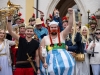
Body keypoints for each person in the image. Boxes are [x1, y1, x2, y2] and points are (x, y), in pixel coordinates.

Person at [40, 8, 75, 75]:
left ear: (58, 28)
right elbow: (41, 51)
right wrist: (44, 62)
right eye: (52, 27)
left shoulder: (62, 35)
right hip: (50, 63)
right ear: (49, 28)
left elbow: (70, 25)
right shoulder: (45, 38)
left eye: (55, 27)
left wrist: (71, 14)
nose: (53, 29)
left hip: (64, 63)